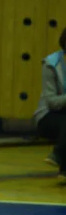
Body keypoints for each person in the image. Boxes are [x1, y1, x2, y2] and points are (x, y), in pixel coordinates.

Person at [33, 28, 66, 179]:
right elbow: (52, 102)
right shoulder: (51, 64)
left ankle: (61, 162)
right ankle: (59, 156)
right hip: (48, 116)